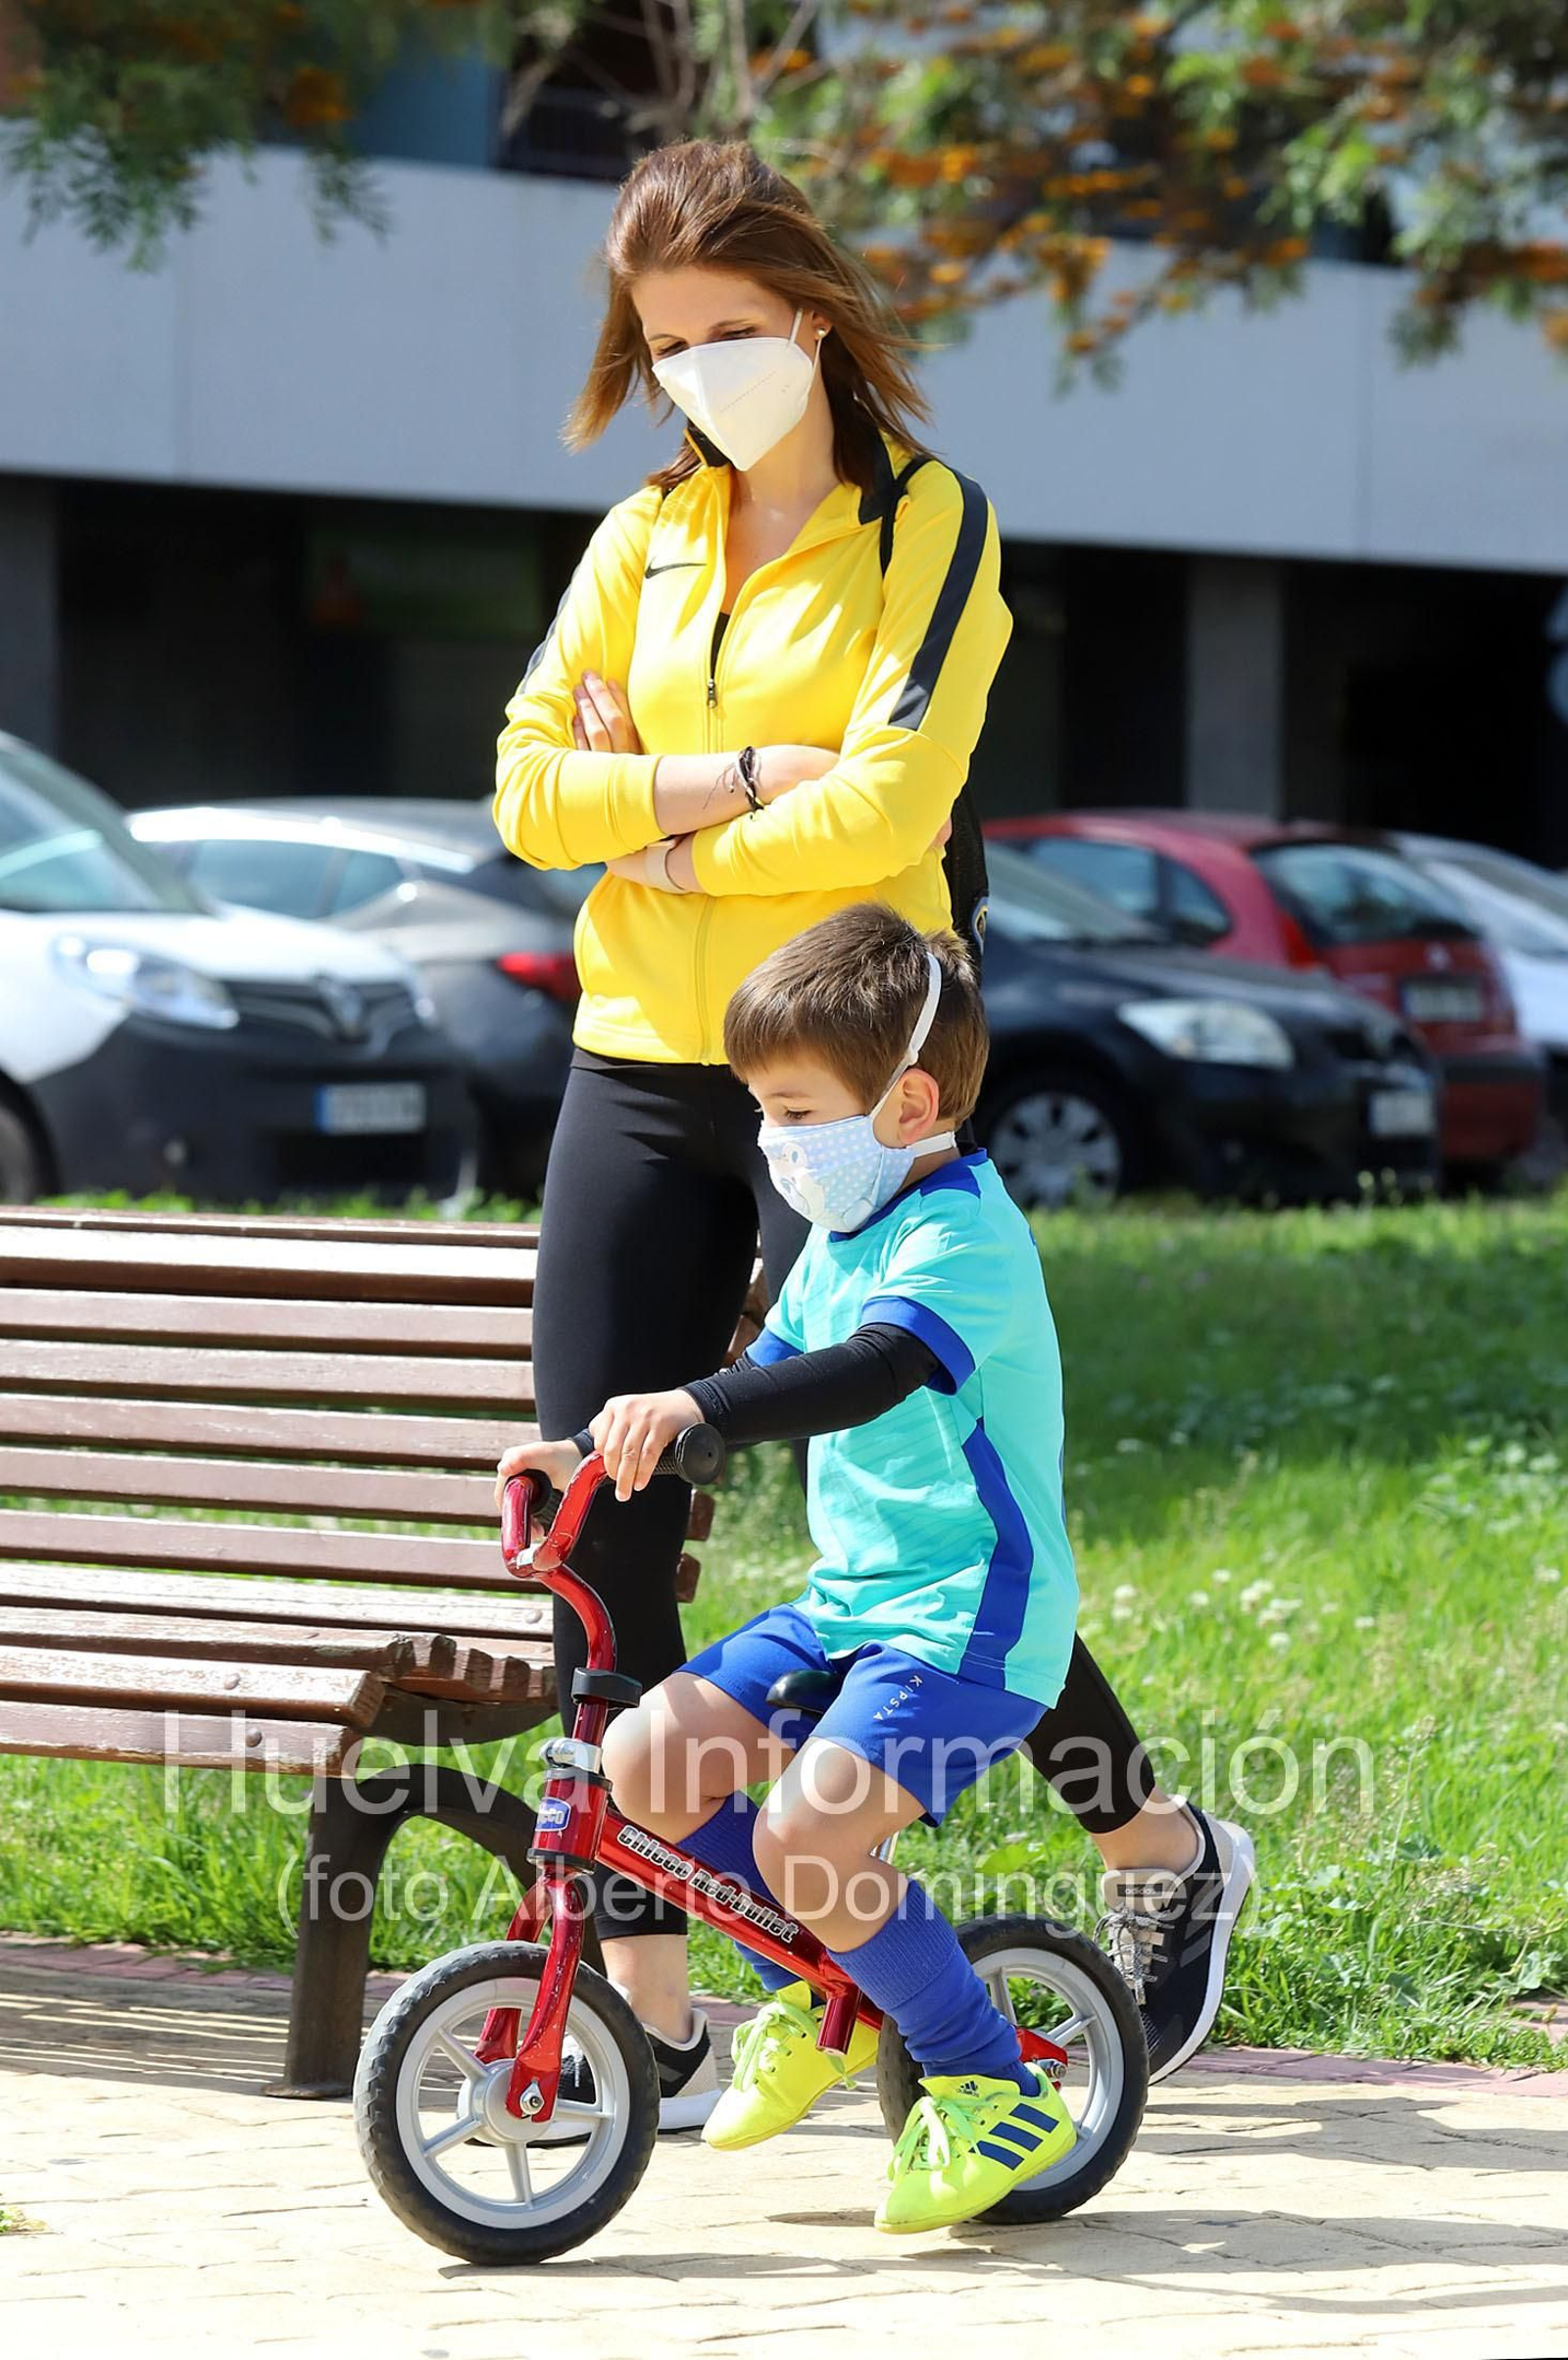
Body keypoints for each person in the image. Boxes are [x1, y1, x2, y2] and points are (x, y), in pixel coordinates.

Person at [492, 135, 1251, 2135]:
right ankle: (651, 2004)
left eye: (726, 333)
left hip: (850, 1060)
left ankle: (1150, 1849)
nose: (694, 374)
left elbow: (889, 801)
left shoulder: (933, 530)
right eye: (662, 346)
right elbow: (519, 791)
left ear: (808, 319)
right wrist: (738, 775)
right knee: (607, 1504)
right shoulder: (643, 539)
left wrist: (647, 822)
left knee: (942, 1490)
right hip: (642, 1054)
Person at [503, 909, 1091, 2233]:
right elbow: (768, 1369)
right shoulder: (845, 1231)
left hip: (966, 1626)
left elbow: (871, 1369)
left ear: (911, 1100)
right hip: (852, 1605)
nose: (769, 1141)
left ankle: (990, 2083)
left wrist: (699, 1412)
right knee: (648, 1761)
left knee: (807, 1830)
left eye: (788, 1108)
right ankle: (832, 1966)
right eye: (759, 1108)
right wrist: (603, 1439)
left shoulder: (964, 1239)